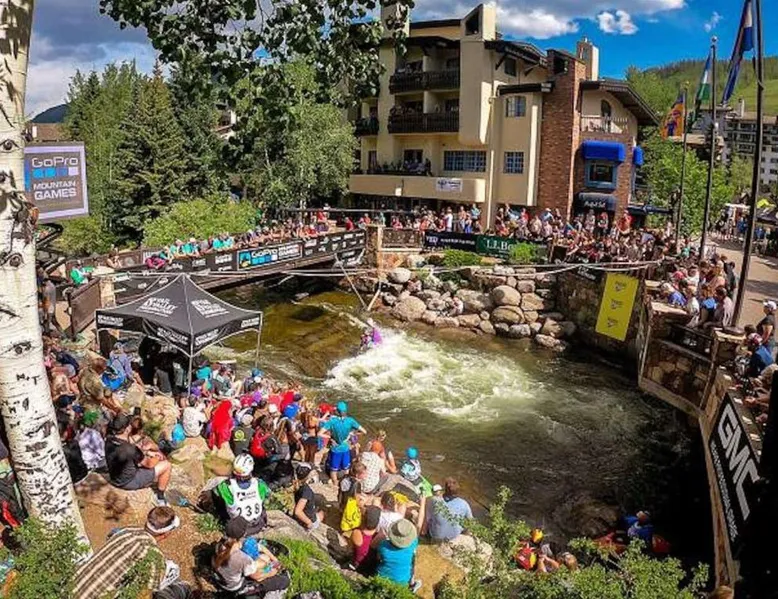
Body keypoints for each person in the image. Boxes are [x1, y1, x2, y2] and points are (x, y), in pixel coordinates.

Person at [72, 506, 190, 599]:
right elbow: (143, 595)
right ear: (166, 533)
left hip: (70, 586)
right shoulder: (153, 557)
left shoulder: (126, 531)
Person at [211, 516, 290, 596]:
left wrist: (273, 559)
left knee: (262, 560)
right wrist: (272, 571)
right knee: (284, 581)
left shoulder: (220, 545)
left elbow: (259, 547)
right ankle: (250, 590)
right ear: (244, 533)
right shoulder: (241, 558)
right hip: (232, 586)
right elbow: (257, 576)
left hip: (221, 578)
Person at [105, 414, 171, 505]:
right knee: (167, 465)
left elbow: (133, 452)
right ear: (127, 428)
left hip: (114, 477)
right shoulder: (130, 449)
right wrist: (157, 457)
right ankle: (159, 497)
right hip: (128, 482)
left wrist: (148, 453)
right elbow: (149, 464)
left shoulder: (109, 439)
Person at [213, 454, 270, 535]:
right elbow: (268, 493)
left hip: (238, 528)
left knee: (218, 498)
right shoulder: (259, 484)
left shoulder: (227, 486)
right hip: (258, 525)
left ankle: (220, 517)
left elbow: (216, 492)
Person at [319, 401, 366, 485]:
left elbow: (319, 433)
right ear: (346, 410)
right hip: (345, 447)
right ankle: (345, 482)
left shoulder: (332, 421)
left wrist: (330, 437)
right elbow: (364, 431)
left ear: (337, 411)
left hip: (335, 448)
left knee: (333, 469)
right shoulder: (350, 420)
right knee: (346, 468)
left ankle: (335, 483)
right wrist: (351, 434)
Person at [375, 518, 422, 592]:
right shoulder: (413, 543)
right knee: (412, 558)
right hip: (402, 582)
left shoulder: (383, 546)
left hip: (381, 578)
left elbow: (378, 558)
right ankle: (412, 584)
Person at [424, 477, 472, 542]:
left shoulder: (434, 500)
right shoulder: (464, 503)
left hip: (436, 536)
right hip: (454, 536)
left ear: (444, 490)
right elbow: (470, 523)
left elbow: (427, 519)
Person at [292, 465, 324, 531]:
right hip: (307, 520)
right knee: (322, 513)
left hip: (301, 516)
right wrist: (309, 522)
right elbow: (298, 511)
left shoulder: (296, 485)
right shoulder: (306, 491)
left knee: (318, 510)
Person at [351, 505, 381, 574]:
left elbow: (351, 547)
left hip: (358, 566)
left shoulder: (357, 533)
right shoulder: (379, 536)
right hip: (372, 567)